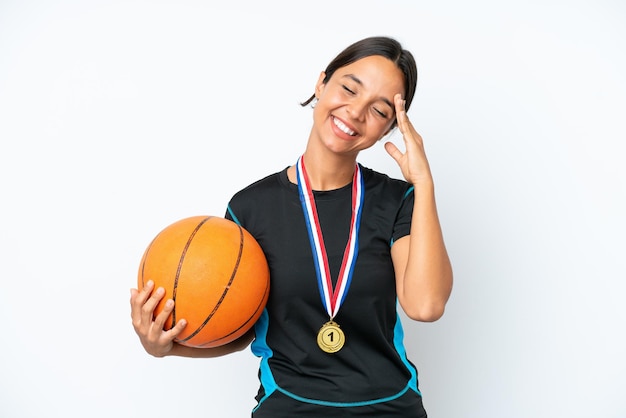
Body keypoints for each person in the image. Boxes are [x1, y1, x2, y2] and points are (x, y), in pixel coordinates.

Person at [130, 35, 453, 417]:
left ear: (388, 129)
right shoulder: (250, 208)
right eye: (349, 88)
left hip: (388, 408)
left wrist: (424, 184)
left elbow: (426, 305)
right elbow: (242, 324)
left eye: (380, 111)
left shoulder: (398, 201)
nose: (355, 112)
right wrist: (166, 346)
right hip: (287, 407)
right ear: (321, 84)